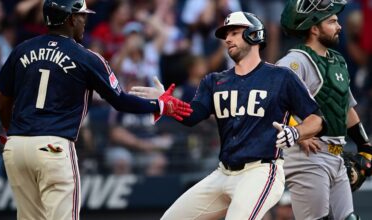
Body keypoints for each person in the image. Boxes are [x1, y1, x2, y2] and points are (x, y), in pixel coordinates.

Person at [0, 0, 192, 219]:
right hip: (52, 146)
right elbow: (121, 101)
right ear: (70, 18)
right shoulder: (86, 57)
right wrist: (161, 105)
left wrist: (16, 134)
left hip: (16, 147)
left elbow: (2, 104)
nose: (85, 21)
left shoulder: (21, 49)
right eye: (81, 16)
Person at [130, 11, 324, 220]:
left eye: (234, 32)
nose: (228, 39)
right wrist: (166, 104)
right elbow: (193, 115)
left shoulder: (281, 76)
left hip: (261, 171)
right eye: (226, 35)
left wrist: (296, 132)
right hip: (223, 172)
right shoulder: (214, 80)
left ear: (254, 35)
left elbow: (317, 119)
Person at [276, 0, 372, 219]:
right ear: (314, 27)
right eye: (332, 21)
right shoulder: (294, 61)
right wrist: (298, 134)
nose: (339, 26)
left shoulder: (337, 60)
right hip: (308, 154)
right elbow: (275, 103)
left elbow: (344, 106)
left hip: (336, 153)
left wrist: (365, 145)